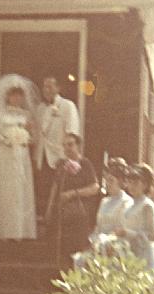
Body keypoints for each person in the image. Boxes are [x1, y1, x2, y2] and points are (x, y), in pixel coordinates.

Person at [0, 73, 39, 240]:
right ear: (7, 96)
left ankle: (19, 231)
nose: (16, 99)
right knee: (5, 190)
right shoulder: (0, 114)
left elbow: (33, 136)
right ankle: (1, 231)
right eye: (13, 95)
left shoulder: (26, 115)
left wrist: (26, 138)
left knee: (19, 191)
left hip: (21, 155)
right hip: (5, 154)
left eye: (19, 96)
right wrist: (5, 139)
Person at [46, 133, 99, 266]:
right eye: (64, 145)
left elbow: (95, 187)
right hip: (61, 213)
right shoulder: (61, 164)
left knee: (77, 248)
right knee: (60, 248)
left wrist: (73, 193)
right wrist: (49, 208)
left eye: (70, 144)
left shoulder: (85, 164)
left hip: (79, 214)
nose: (67, 148)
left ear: (78, 146)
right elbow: (55, 186)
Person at [35, 76, 80, 215]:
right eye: (44, 86)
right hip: (42, 157)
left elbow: (72, 132)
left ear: (58, 88)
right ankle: (45, 226)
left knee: (59, 194)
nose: (46, 90)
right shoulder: (41, 108)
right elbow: (37, 132)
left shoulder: (67, 106)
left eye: (50, 86)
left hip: (60, 157)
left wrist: (69, 157)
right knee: (43, 193)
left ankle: (56, 229)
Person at [115, 164, 154, 270]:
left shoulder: (147, 205)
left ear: (144, 185)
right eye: (129, 182)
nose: (131, 186)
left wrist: (128, 233)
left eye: (135, 183)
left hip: (143, 255)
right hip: (127, 253)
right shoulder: (128, 204)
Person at [94, 158, 133, 235]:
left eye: (111, 180)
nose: (107, 184)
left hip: (119, 244)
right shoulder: (104, 201)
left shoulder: (127, 202)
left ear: (120, 182)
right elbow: (98, 227)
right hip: (101, 243)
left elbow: (124, 229)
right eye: (106, 180)